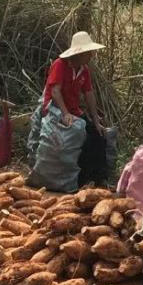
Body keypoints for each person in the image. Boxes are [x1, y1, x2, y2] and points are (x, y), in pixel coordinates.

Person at [42, 30, 109, 186]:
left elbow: (89, 94)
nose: (91, 56)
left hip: (73, 111)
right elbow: (55, 91)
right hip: (54, 109)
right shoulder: (60, 65)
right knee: (79, 133)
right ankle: (80, 180)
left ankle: (97, 178)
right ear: (79, 53)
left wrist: (95, 120)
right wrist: (65, 114)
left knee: (97, 135)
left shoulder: (84, 70)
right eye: (88, 53)